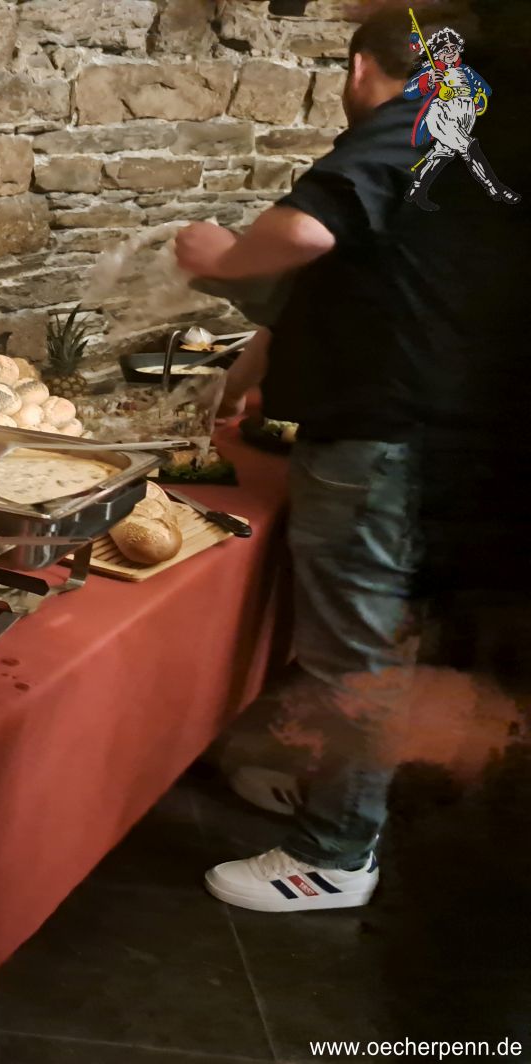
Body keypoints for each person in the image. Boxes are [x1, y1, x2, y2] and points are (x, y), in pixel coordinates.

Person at [171, 10, 490, 913]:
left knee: (356, 655)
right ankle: (328, 790)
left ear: (356, 69)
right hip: (421, 436)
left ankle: (335, 854)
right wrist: (244, 375)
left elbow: (308, 233)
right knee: (374, 639)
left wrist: (227, 254)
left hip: (378, 442)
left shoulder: (423, 114)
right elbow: (343, 285)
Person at [404, 26, 518, 209]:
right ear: (436, 53)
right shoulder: (432, 70)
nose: (450, 52)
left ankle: (417, 189)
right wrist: (429, 80)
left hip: (464, 117)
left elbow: (485, 90)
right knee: (469, 146)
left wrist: (479, 98)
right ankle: (495, 187)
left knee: (442, 154)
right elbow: (408, 91)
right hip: (442, 115)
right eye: (445, 49)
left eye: (453, 48)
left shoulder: (467, 71)